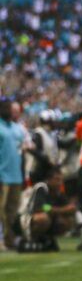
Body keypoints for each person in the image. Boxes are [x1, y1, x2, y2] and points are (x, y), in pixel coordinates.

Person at [0, 97, 26, 250]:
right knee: (1, 210)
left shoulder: (17, 129)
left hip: (16, 175)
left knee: (12, 210)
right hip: (2, 175)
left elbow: (21, 151)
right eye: (6, 108)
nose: (9, 110)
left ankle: (9, 239)